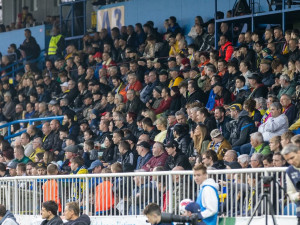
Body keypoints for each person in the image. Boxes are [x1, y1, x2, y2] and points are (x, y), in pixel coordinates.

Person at [281, 144, 300, 225]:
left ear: (299, 152)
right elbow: (290, 192)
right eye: (288, 160)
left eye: (292, 158)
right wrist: (296, 196)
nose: (291, 162)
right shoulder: (289, 171)